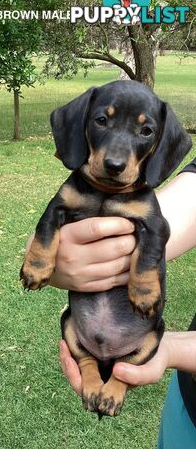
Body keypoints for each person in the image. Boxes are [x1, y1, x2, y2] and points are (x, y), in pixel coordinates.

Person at [47, 160, 196, 448]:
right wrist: (57, 245)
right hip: (187, 408)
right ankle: (89, 364)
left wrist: (174, 349)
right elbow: (167, 218)